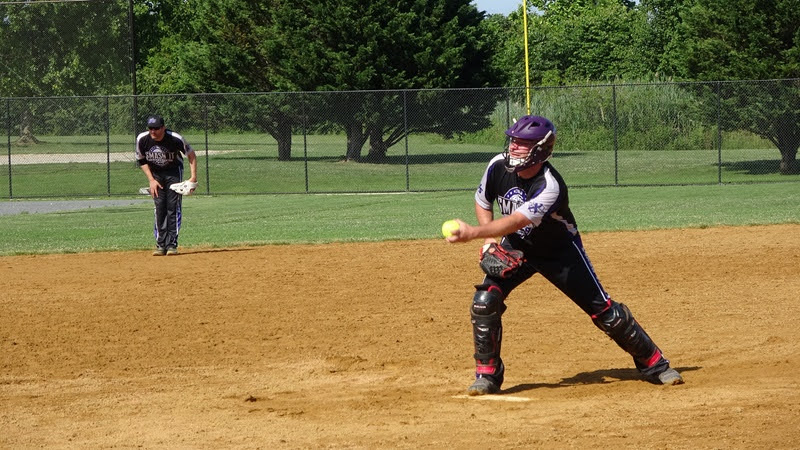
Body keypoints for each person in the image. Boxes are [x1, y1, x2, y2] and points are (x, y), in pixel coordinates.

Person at [445, 115, 683, 395]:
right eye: (513, 141)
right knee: (485, 301)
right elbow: (483, 201)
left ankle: (655, 364)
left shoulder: (550, 186)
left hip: (559, 252)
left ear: (540, 150)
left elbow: (517, 220)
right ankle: (487, 376)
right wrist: (488, 240)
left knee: (606, 313)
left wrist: (472, 233)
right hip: (518, 247)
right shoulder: (497, 165)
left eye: (523, 143)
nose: (513, 147)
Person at [135, 115, 198, 256]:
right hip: (156, 175)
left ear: (163, 127)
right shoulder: (142, 139)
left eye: (156, 128)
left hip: (173, 173)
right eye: (150, 128)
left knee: (173, 207)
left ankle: (172, 245)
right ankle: (160, 245)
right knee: (159, 207)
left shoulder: (175, 138)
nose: (153, 131)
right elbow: (141, 160)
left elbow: (191, 155)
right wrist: (151, 180)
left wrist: (193, 177)